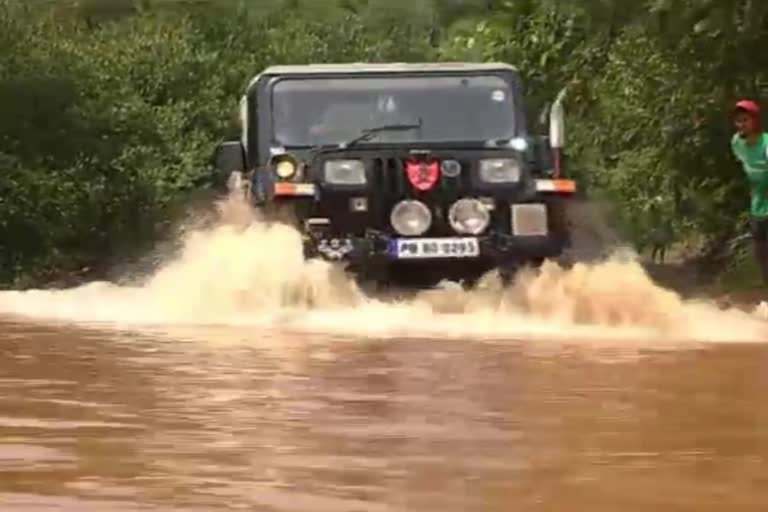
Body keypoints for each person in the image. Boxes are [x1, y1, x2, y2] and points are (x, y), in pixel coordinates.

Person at [731, 99, 768, 284]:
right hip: (758, 208)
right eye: (738, 120)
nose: (741, 124)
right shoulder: (737, 143)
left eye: (745, 119)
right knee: (762, 257)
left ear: (755, 121)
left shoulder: (767, 144)